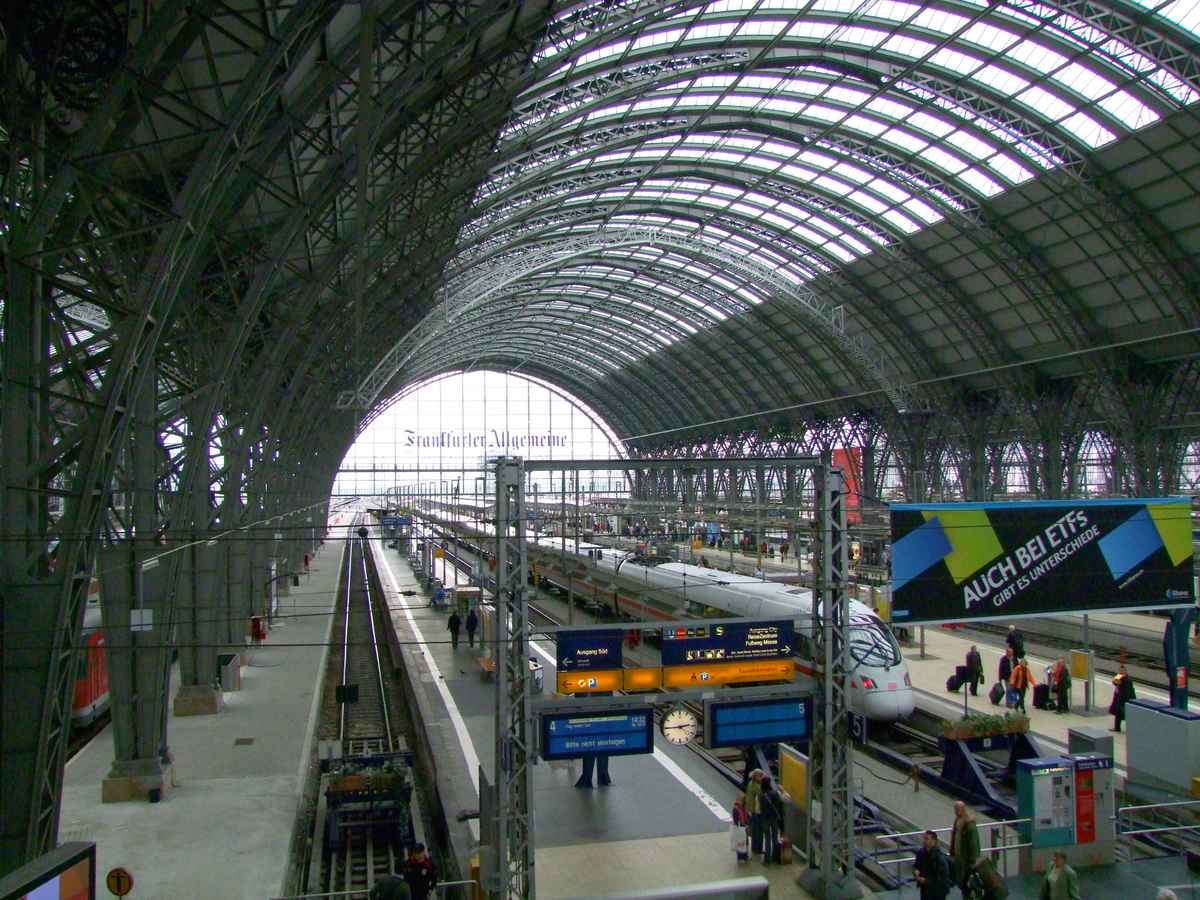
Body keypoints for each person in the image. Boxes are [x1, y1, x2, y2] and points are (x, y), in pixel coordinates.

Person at [950, 801, 980, 896]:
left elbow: (974, 843)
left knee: (967, 882)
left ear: (963, 809)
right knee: (962, 881)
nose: (956, 811)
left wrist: (973, 860)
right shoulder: (957, 820)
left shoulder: (969, 825)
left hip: (967, 859)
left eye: (958, 809)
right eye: (955, 809)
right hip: (959, 857)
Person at [913, 829, 951, 900]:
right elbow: (916, 866)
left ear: (934, 841)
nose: (924, 841)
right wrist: (916, 871)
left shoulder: (940, 859)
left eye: (926, 839)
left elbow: (942, 879)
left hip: (938, 892)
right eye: (924, 838)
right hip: (925, 889)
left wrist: (925, 881)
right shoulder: (921, 853)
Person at [759, 776, 785, 864]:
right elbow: (779, 805)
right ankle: (775, 857)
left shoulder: (761, 795)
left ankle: (767, 859)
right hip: (774, 818)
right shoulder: (775, 793)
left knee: (767, 838)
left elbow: (761, 808)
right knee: (775, 837)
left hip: (765, 818)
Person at [1110, 664, 1136, 732]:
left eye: (1122, 671)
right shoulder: (1120, 677)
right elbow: (1114, 682)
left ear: (1125, 671)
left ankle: (1120, 728)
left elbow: (1127, 692)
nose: (1120, 672)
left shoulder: (1127, 680)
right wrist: (1118, 676)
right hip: (1120, 697)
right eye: (1119, 670)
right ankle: (1117, 728)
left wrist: (1123, 701)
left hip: (1125, 699)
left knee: (1124, 714)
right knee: (1118, 714)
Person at [745, 768, 765, 855]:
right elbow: (762, 797)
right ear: (756, 776)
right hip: (756, 811)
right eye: (761, 776)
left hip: (750, 810)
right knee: (758, 831)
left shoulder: (750, 783)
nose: (762, 778)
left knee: (754, 830)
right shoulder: (757, 786)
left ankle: (754, 848)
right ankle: (758, 849)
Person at [730, 795, 751, 863]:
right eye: (738, 800)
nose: (739, 801)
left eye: (741, 800)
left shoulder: (745, 808)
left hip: (745, 827)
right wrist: (738, 827)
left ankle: (745, 856)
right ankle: (740, 857)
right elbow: (735, 820)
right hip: (740, 827)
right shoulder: (735, 809)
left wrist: (747, 825)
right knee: (740, 842)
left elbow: (747, 817)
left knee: (746, 841)